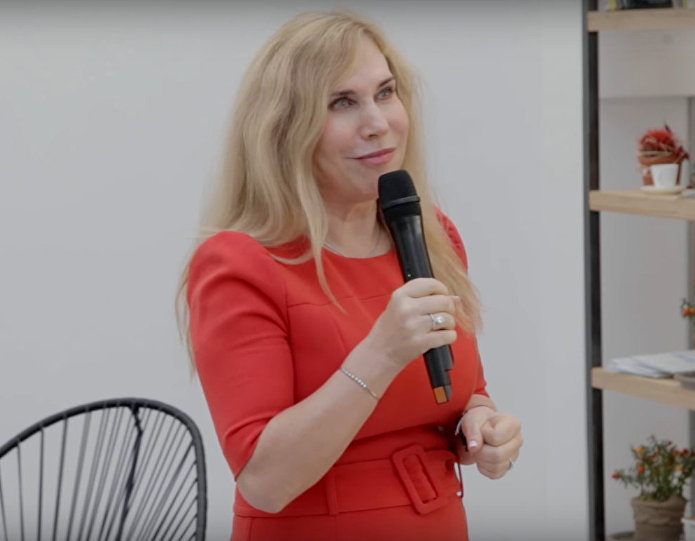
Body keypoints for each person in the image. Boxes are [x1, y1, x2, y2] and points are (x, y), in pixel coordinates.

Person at [180, 10, 522, 541]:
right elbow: (265, 482)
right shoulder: (239, 264)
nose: (377, 122)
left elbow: (463, 392)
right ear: (284, 129)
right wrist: (380, 354)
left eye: (385, 93)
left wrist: (481, 424)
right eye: (342, 102)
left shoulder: (433, 236)